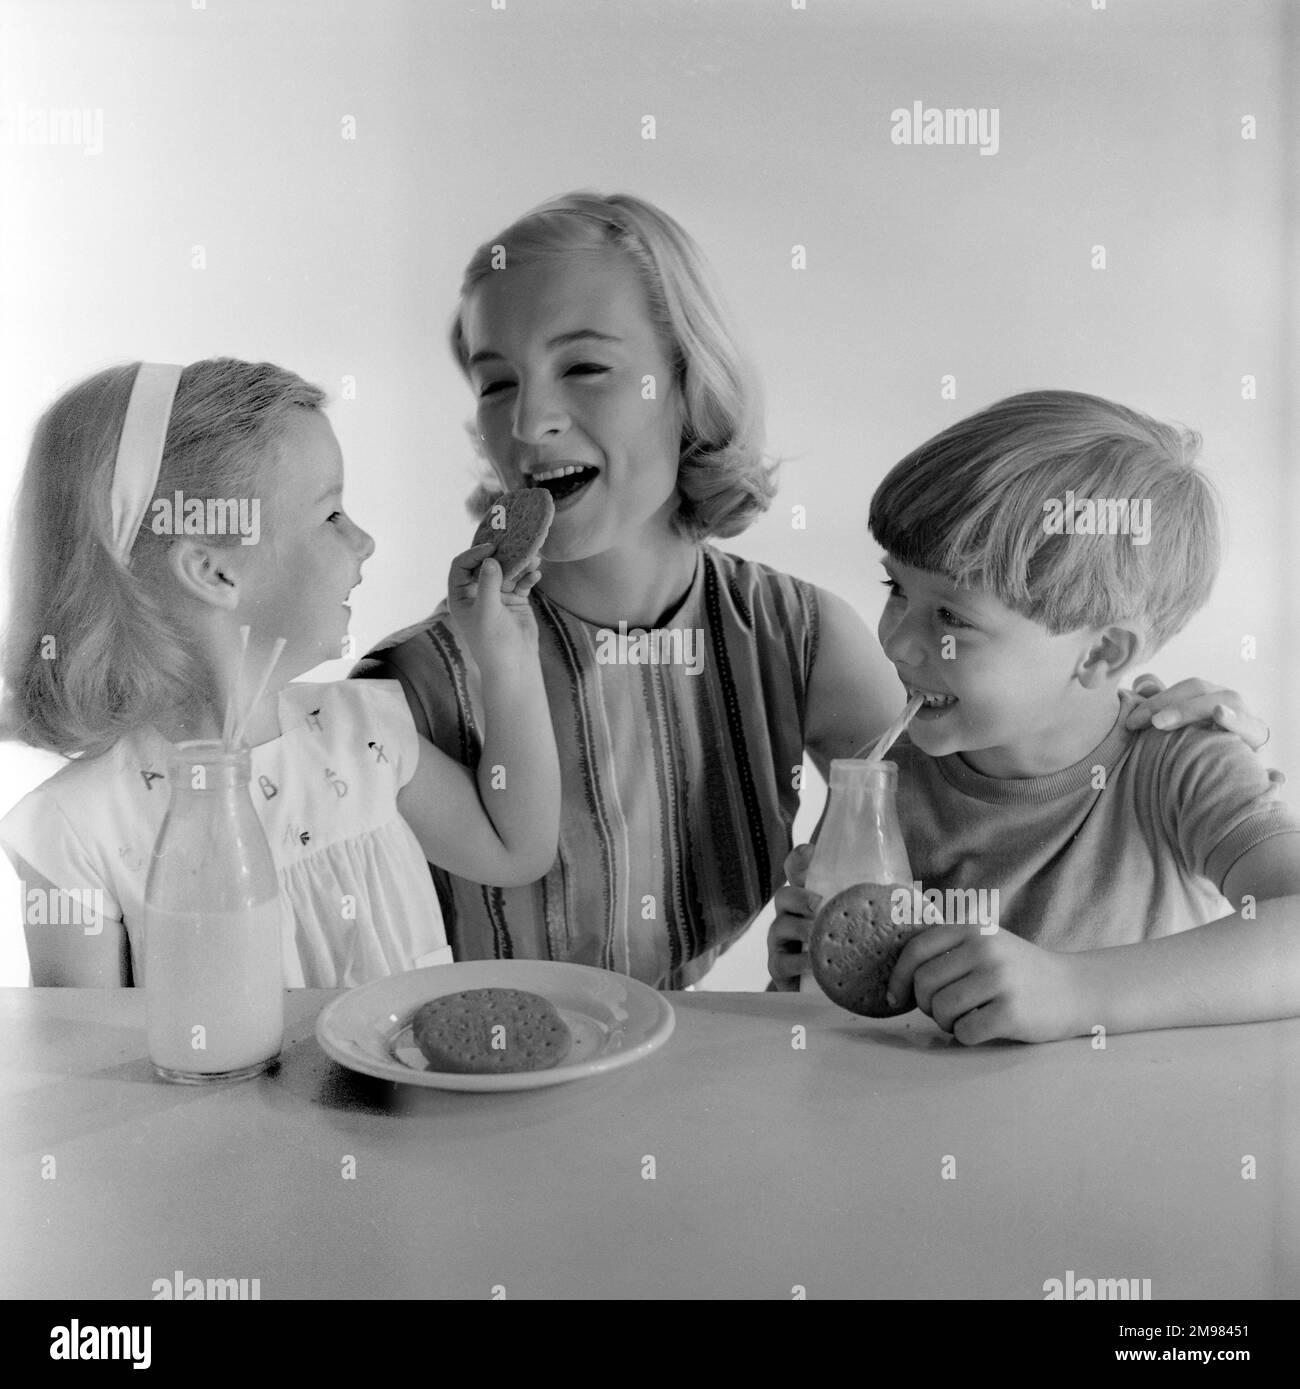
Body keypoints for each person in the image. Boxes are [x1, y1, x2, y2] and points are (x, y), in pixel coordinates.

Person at [354, 191, 1266, 991]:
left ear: (688, 382)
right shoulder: (409, 689)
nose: (528, 420)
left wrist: (1138, 716)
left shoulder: (797, 639)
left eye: (585, 366)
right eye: (495, 381)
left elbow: (977, 767)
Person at [0, 358, 559, 987]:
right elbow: (87, 1058)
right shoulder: (80, 830)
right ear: (214, 571)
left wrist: (505, 657)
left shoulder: (361, 735)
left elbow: (517, 849)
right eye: (331, 515)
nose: (364, 541)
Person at [768, 390, 1300, 1043]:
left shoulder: (1181, 763)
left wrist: (1075, 990)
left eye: (953, 618)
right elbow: (860, 1044)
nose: (898, 641)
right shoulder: (887, 778)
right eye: (896, 590)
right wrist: (803, 979)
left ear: (1102, 652)